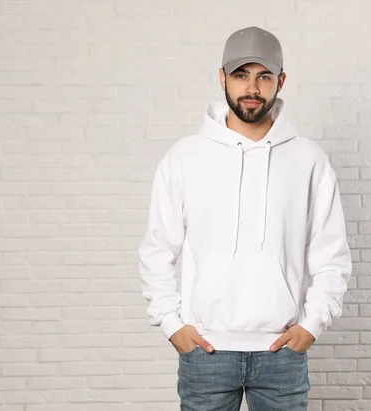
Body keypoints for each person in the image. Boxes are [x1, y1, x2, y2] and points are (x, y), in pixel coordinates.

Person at [139, 26, 352, 411]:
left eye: (263, 76)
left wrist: (312, 325)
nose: (251, 88)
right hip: (205, 351)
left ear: (280, 81)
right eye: (240, 75)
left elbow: (331, 255)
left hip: (281, 353)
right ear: (222, 77)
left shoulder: (308, 160)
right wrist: (172, 325)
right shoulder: (185, 157)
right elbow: (157, 248)